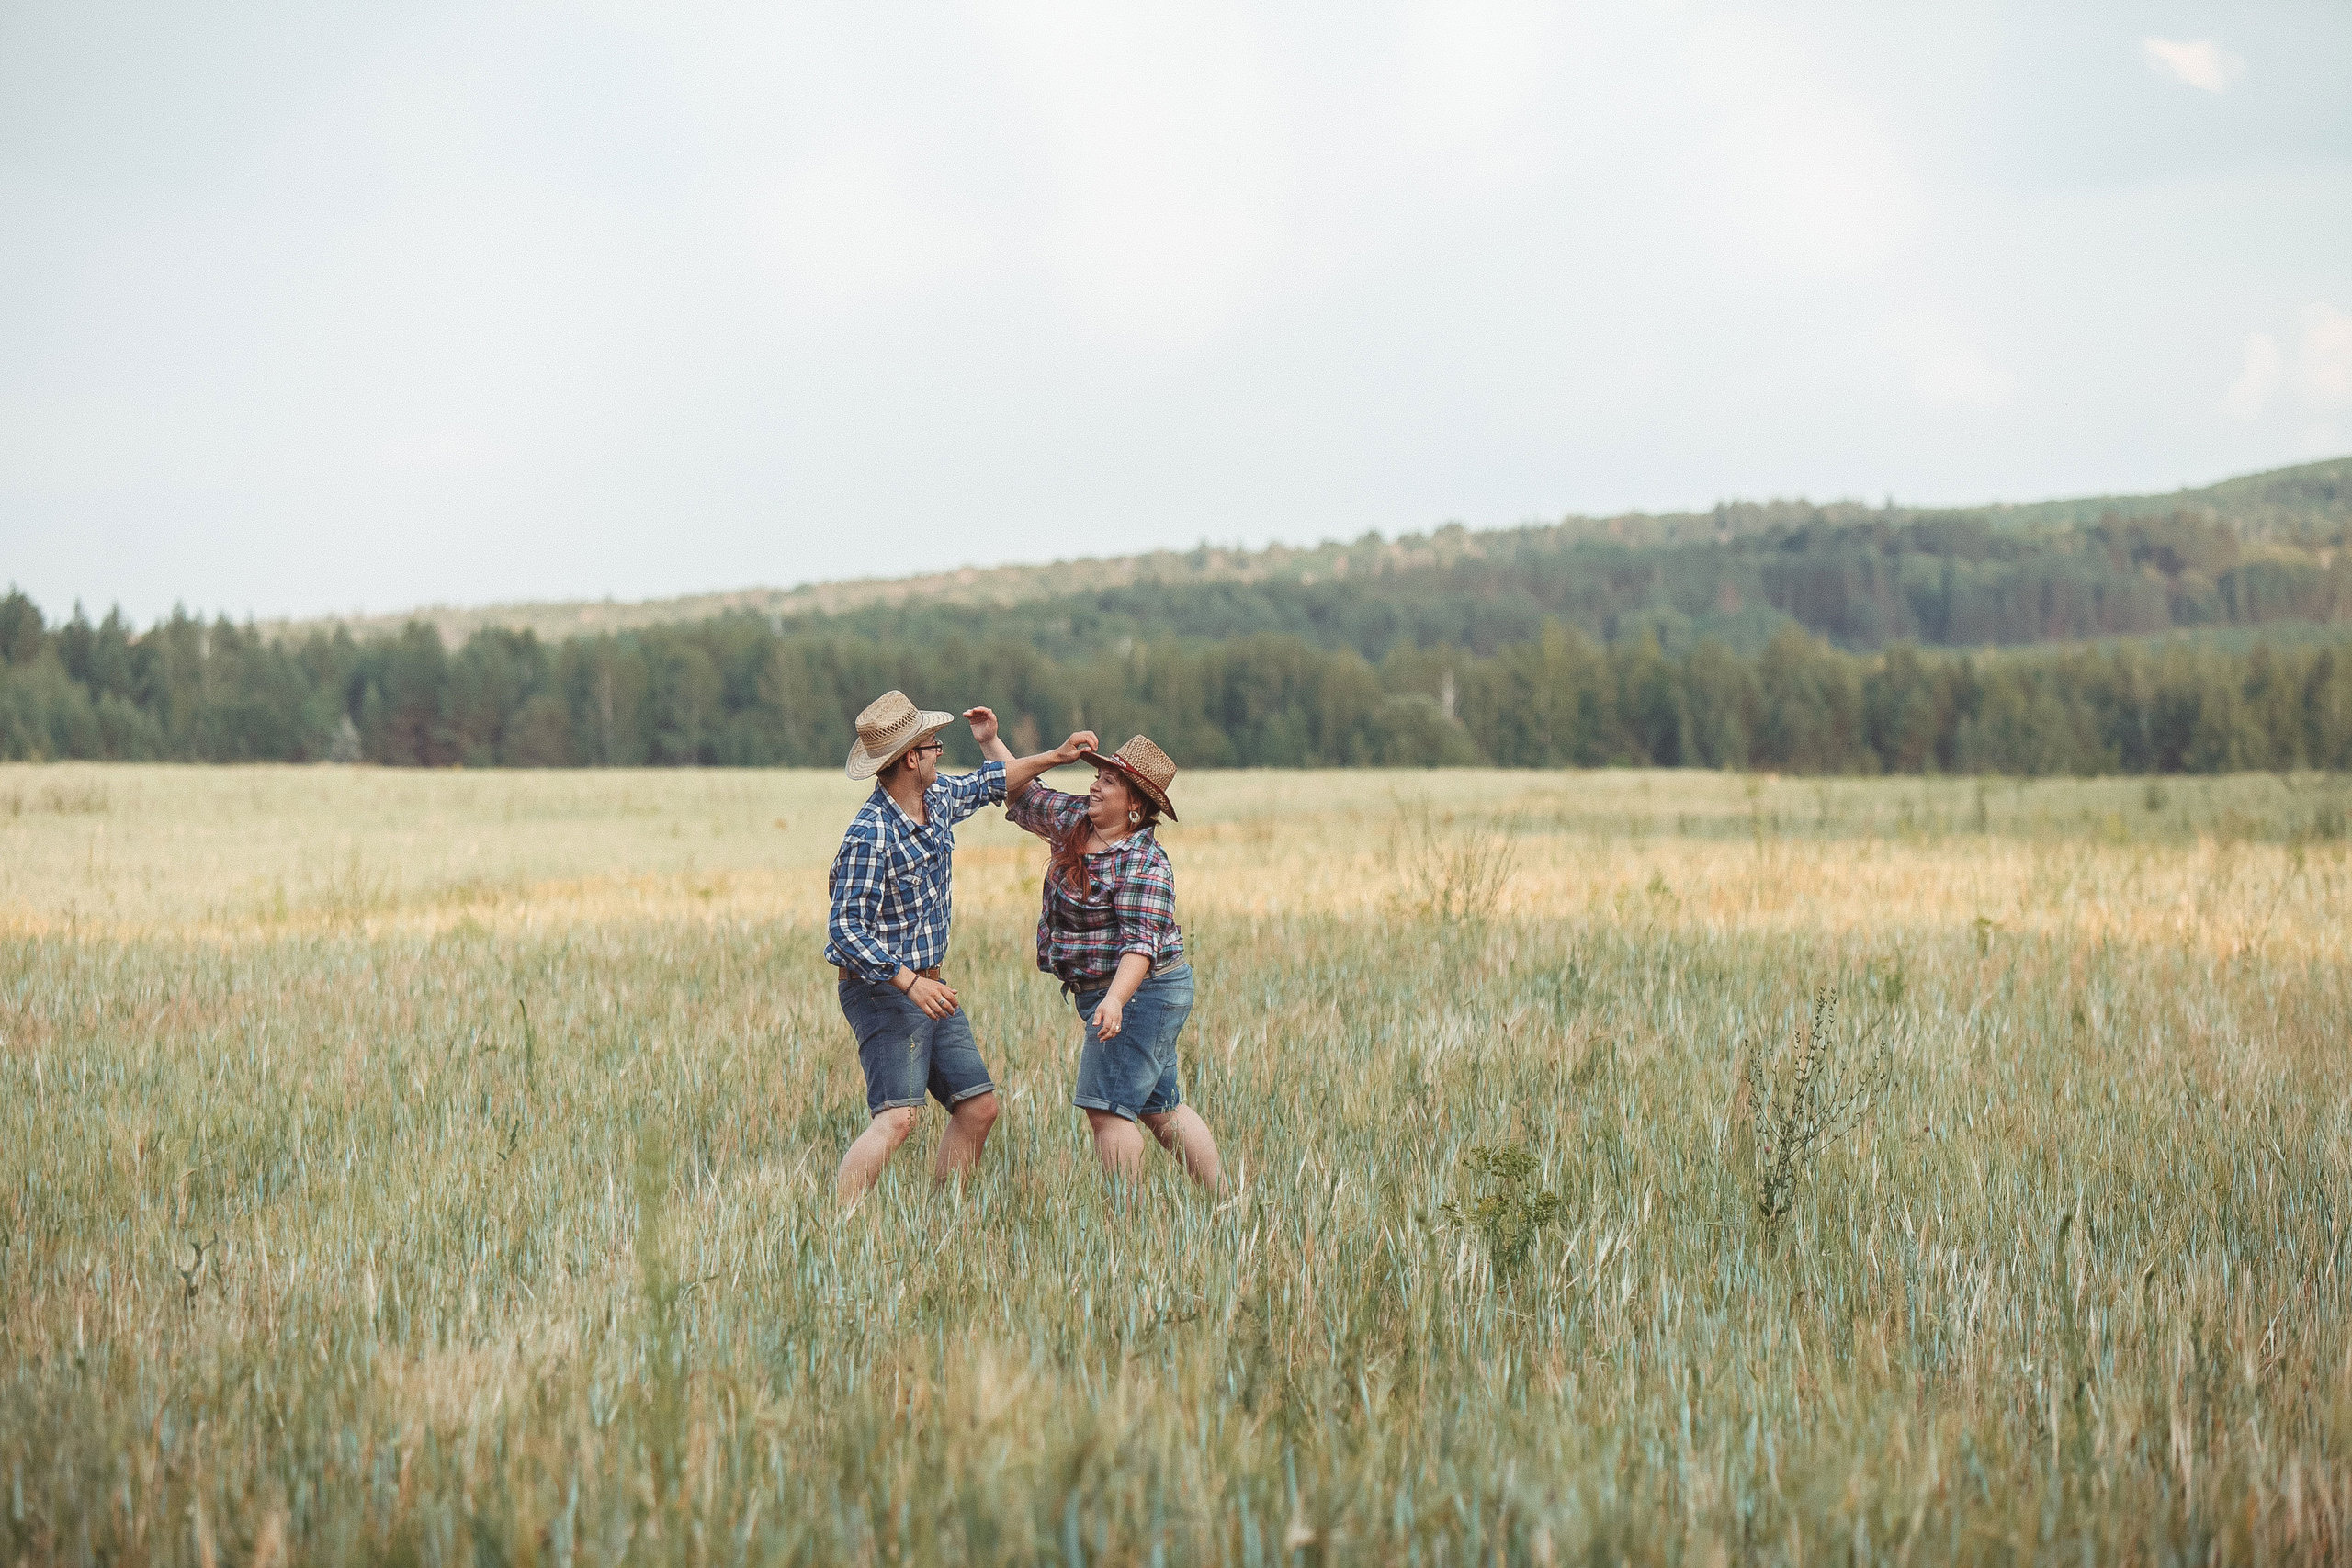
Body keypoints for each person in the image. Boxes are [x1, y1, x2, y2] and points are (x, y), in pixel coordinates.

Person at [826, 691, 1090, 1204]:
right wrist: (908, 982)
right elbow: (844, 931)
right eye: (932, 745)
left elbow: (992, 781)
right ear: (910, 758)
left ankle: (940, 1221)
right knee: (897, 1119)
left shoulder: (938, 798)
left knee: (979, 1107)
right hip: (882, 990)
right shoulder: (869, 836)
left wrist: (1055, 756)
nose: (940, 752)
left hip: (931, 985)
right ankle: (839, 1229)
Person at [979, 724, 1224, 1190]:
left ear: (1135, 804)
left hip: (1141, 992)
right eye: (1098, 776)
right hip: (1120, 995)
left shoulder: (1145, 862)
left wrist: (1114, 1001)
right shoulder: (1077, 820)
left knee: (1105, 1109)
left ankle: (1126, 1229)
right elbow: (1024, 796)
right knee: (1160, 1107)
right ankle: (1225, 1204)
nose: (1094, 784)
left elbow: (1141, 945)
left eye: (1109, 781)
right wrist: (989, 740)